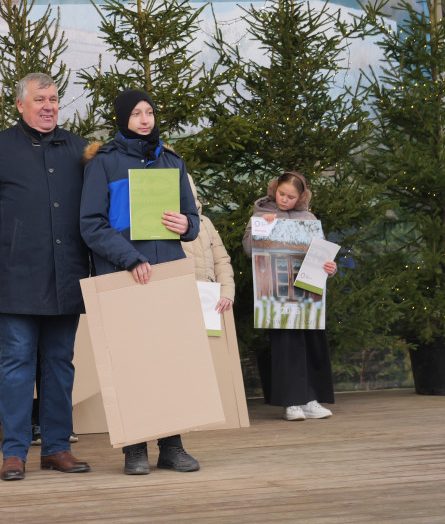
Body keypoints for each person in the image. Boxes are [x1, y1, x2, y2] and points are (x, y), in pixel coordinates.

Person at [0, 73, 91, 482]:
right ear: (20, 105)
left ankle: (56, 448)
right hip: (15, 276)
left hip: (67, 275)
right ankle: (15, 451)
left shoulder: (78, 149)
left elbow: (96, 211)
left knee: (60, 364)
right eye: (40, 99)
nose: (49, 106)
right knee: (17, 363)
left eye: (54, 98)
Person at [78, 89, 202, 476]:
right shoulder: (104, 163)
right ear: (123, 119)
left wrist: (187, 225)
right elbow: (91, 225)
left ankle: (172, 445)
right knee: (129, 362)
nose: (145, 119)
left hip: (167, 274)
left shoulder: (171, 160)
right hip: (122, 276)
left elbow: (191, 217)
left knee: (168, 361)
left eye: (149, 111)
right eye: (136, 113)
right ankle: (134, 449)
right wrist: (129, 257)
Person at [242, 171, 338, 421]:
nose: (284, 200)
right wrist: (264, 229)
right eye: (281, 193)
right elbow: (249, 250)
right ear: (274, 189)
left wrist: (330, 267)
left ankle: (311, 399)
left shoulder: (309, 218)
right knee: (286, 344)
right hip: (277, 292)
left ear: (301, 197)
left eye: (291, 197)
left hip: (308, 293)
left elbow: (322, 254)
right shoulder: (262, 214)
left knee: (312, 343)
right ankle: (291, 403)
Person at [182, 174, 236, 315]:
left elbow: (221, 260)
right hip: (179, 299)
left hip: (208, 300)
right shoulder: (161, 225)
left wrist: (226, 292)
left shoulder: (205, 223)